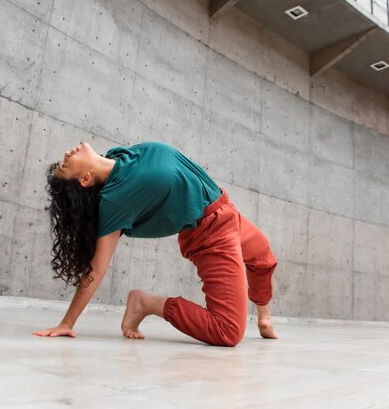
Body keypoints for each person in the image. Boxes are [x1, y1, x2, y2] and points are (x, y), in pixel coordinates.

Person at [32, 141, 278, 346]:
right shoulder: (115, 200)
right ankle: (146, 303)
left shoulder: (120, 155)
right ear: (85, 179)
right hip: (211, 233)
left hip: (225, 210)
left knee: (263, 257)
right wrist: (67, 323)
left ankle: (264, 317)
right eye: (66, 165)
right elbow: (96, 269)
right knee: (228, 331)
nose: (66, 154)